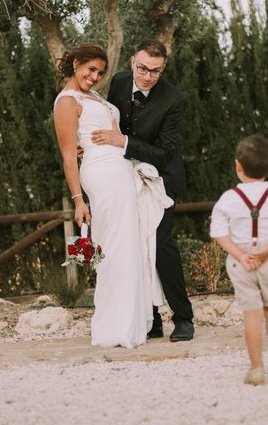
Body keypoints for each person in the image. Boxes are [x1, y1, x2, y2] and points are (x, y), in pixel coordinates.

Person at [91, 39, 194, 342]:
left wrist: (120, 142)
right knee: (135, 249)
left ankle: (183, 318)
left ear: (163, 69)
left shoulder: (175, 100)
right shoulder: (121, 82)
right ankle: (151, 321)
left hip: (161, 179)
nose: (148, 76)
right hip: (125, 177)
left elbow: (164, 152)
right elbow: (110, 123)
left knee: (161, 246)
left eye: (156, 71)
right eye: (143, 68)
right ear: (132, 62)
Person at [53, 44, 148, 348]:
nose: (95, 77)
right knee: (113, 245)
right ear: (76, 64)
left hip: (120, 169)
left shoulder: (93, 97)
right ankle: (112, 327)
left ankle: (129, 323)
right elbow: (69, 156)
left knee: (128, 243)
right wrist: (78, 200)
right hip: (101, 173)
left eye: (100, 73)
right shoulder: (66, 101)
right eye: (90, 69)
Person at [209, 135, 268, 385]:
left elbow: (218, 232)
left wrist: (240, 254)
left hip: (240, 262)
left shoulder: (227, 199)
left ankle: (256, 369)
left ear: (238, 165)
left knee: (252, 313)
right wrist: (266, 250)